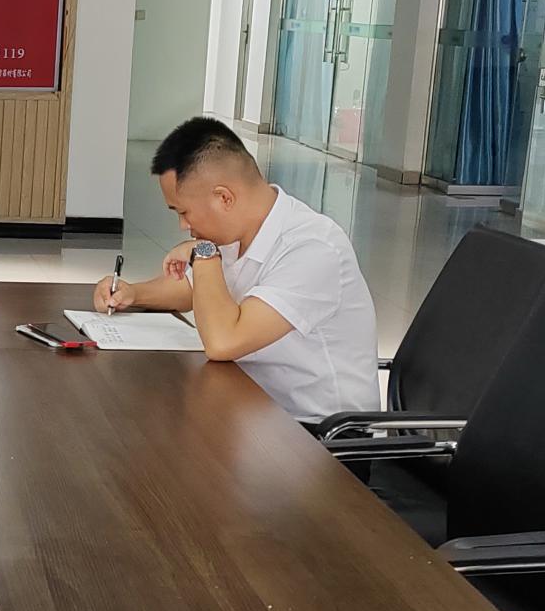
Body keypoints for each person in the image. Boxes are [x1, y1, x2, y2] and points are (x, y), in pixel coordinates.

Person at [93, 117, 377, 424]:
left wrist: (204, 253)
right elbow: (192, 289)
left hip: (318, 433)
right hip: (254, 407)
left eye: (184, 212)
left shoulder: (313, 247)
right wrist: (132, 293)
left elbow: (223, 342)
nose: (183, 226)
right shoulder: (238, 228)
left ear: (224, 198)